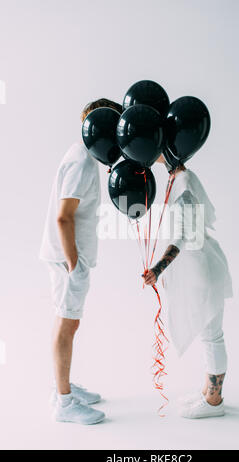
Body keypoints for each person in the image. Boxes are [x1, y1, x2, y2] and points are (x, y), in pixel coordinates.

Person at [40, 98, 122, 425]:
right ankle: (63, 401)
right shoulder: (82, 164)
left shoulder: (82, 156)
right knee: (66, 324)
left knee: (70, 322)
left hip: (70, 258)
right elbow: (63, 218)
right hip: (66, 260)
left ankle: (65, 387)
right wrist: (75, 266)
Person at [143, 155, 233, 419]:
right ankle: (208, 391)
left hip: (202, 270)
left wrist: (158, 269)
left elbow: (185, 234)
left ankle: (214, 401)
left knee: (212, 335)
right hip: (200, 268)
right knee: (209, 334)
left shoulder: (183, 181)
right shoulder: (179, 178)